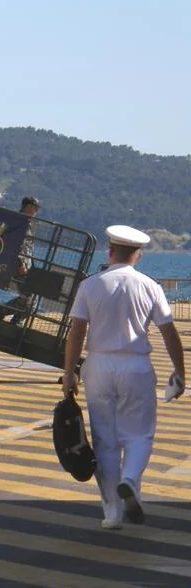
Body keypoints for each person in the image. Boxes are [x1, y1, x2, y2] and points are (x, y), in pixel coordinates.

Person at [62, 225, 185, 530]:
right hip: (135, 367)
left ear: (110, 250)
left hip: (99, 366)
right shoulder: (150, 286)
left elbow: (77, 331)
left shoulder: (90, 285)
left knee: (105, 442)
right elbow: (168, 331)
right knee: (139, 435)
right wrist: (180, 371)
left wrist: (68, 374)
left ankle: (112, 515)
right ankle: (130, 479)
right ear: (138, 255)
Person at [0, 196, 41, 325]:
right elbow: (17, 244)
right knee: (30, 297)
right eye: (35, 208)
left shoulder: (26, 221)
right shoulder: (20, 221)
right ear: (28, 207)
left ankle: (3, 313)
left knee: (29, 296)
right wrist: (21, 263)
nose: (36, 211)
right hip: (19, 264)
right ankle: (11, 318)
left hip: (25, 264)